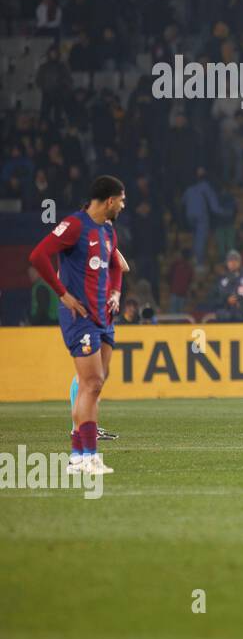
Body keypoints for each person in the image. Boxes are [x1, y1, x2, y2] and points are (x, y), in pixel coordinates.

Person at [27, 175, 128, 474]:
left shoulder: (108, 231)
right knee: (91, 382)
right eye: (121, 200)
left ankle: (77, 456)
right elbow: (38, 255)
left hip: (103, 316)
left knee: (97, 383)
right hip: (79, 316)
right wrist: (63, 294)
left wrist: (116, 292)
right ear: (109, 200)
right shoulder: (75, 225)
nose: (123, 206)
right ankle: (87, 456)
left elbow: (116, 265)